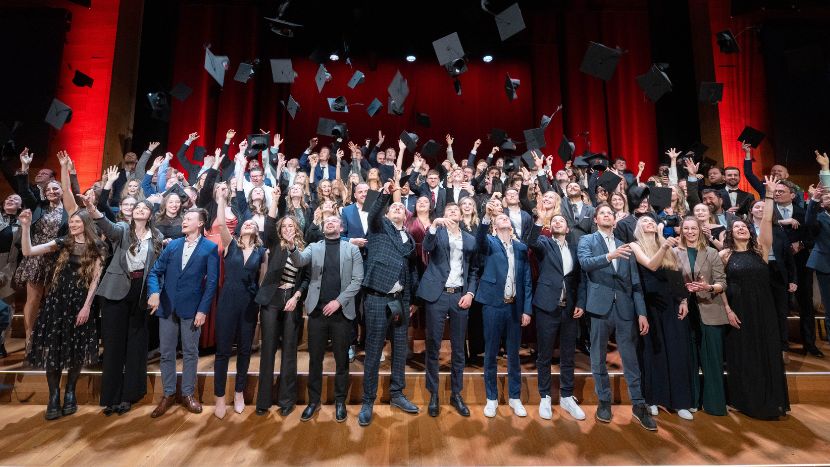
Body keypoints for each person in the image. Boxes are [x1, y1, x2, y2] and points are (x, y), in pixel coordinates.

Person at [20, 207, 106, 420]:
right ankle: (53, 396)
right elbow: (28, 251)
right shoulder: (63, 242)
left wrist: (86, 306)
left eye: (77, 222)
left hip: (80, 303)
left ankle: (70, 392)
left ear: (85, 223)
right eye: (71, 222)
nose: (73, 225)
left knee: (76, 349)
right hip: (57, 302)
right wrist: (26, 227)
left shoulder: (98, 246)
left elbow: (95, 279)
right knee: (54, 349)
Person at [577, 204, 656, 431]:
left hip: (625, 308)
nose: (606, 216)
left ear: (614, 220)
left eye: (610, 214)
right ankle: (604, 400)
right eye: (602, 213)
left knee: (630, 358)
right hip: (599, 307)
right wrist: (609, 256)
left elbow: (635, 283)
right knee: (598, 356)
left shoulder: (626, 246)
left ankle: (638, 404)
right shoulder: (587, 240)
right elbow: (585, 263)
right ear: (595, 219)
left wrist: (642, 313)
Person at [720, 175, 790, 420]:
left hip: (763, 307)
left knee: (766, 351)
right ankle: (743, 401)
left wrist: (769, 195)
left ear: (750, 232)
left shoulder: (761, 249)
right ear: (730, 233)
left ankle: (770, 400)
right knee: (743, 354)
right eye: (736, 227)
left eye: (744, 227)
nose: (741, 228)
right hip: (738, 309)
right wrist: (727, 310)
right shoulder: (725, 255)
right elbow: (720, 285)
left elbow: (767, 220)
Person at [86, 196, 163, 416]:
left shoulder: (157, 236)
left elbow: (155, 268)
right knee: (113, 345)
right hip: (116, 290)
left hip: (140, 291)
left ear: (150, 214)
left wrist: (155, 292)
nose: (140, 210)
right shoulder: (122, 228)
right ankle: (111, 396)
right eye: (137, 207)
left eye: (144, 208)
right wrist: (91, 208)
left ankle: (130, 395)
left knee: (136, 344)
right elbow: (106, 226)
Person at [287, 215, 363, 423]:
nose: (330, 223)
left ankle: (340, 401)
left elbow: (357, 280)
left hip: (341, 313)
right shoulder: (314, 247)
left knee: (342, 360)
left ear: (341, 227)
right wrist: (292, 246)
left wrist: (338, 302)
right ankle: (313, 401)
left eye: (334, 221)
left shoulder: (352, 249)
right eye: (327, 221)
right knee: (315, 359)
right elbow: (299, 260)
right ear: (322, 228)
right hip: (317, 313)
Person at [147, 208, 220, 418]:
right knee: (166, 353)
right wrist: (154, 292)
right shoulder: (173, 245)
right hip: (167, 306)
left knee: (190, 352)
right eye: (184, 218)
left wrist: (203, 310)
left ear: (200, 223)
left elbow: (212, 283)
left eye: (189, 218)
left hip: (192, 309)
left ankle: (188, 393)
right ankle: (168, 394)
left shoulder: (210, 248)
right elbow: (154, 272)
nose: (184, 221)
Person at [358, 180, 420, 427]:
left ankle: (397, 393)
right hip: (377, 296)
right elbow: (372, 213)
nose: (397, 209)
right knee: (373, 350)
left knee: (400, 350)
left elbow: (411, 271)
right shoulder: (378, 227)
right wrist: (384, 194)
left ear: (406, 217)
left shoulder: (409, 239)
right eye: (393, 207)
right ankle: (368, 401)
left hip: (400, 299)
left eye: (401, 208)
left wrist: (412, 299)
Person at [629, 215, 695, 420]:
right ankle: (653, 399)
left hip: (671, 301)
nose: (649, 223)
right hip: (650, 303)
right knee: (653, 351)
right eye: (644, 222)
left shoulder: (666, 246)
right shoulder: (635, 245)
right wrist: (665, 247)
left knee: (677, 349)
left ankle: (680, 401)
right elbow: (651, 265)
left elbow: (677, 275)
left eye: (651, 221)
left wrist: (683, 300)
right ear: (638, 228)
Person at [416, 202, 478, 417]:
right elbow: (426, 247)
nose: (452, 212)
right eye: (449, 210)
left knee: (459, 348)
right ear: (443, 215)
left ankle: (456, 394)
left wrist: (470, 293)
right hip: (438, 294)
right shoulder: (437, 233)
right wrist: (434, 225)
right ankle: (433, 393)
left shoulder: (470, 239)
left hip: (460, 295)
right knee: (433, 345)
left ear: (461, 215)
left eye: (456, 210)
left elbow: (474, 270)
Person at [212, 186, 267, 418]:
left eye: (253, 224)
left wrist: (258, 303)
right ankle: (219, 397)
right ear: (241, 228)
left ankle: (239, 392)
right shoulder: (231, 245)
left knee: (245, 350)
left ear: (256, 230)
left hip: (249, 303)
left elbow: (262, 280)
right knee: (223, 350)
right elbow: (221, 225)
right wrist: (221, 200)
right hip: (227, 301)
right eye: (246, 223)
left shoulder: (262, 252)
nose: (249, 225)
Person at [526, 212, 586, 421]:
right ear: (550, 228)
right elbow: (531, 241)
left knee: (568, 354)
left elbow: (580, 280)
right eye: (554, 221)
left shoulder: (575, 249)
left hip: (569, 309)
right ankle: (545, 396)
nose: (558, 222)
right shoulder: (545, 243)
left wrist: (580, 303)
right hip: (547, 307)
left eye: (561, 221)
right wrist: (540, 220)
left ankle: (567, 396)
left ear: (568, 229)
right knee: (544, 354)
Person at [255, 186, 309, 417]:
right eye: (284, 226)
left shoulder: (305, 250)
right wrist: (275, 200)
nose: (287, 229)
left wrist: (297, 297)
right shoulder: (274, 243)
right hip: (271, 299)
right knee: (268, 349)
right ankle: (263, 401)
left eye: (291, 226)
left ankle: (287, 400)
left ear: (297, 229)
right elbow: (268, 226)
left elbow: (306, 279)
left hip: (292, 300)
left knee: (289, 350)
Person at [477, 195, 533, 418]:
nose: (504, 219)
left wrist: (527, 309)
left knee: (514, 355)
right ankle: (491, 398)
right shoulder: (489, 242)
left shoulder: (520, 248)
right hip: (493, 305)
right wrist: (486, 217)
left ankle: (515, 397)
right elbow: (479, 240)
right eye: (499, 218)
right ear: (494, 225)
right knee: (491, 353)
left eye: (506, 218)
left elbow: (527, 280)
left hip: (514, 308)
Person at [674, 216, 728, 416]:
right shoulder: (673, 253)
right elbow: (670, 282)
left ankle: (714, 404)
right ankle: (692, 400)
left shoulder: (712, 252)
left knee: (712, 359)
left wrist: (709, 287)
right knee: (688, 359)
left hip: (710, 308)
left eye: (693, 228)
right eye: (686, 228)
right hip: (684, 310)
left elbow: (722, 282)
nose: (690, 232)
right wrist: (682, 295)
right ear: (681, 231)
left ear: (700, 230)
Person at [13, 148, 68, 344]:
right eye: (48, 190)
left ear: (62, 191)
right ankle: (30, 338)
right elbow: (24, 190)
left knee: (53, 300)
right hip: (36, 257)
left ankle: (49, 338)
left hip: (57, 257)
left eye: (55, 189)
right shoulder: (38, 207)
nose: (51, 191)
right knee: (33, 299)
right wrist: (24, 166)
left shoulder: (69, 211)